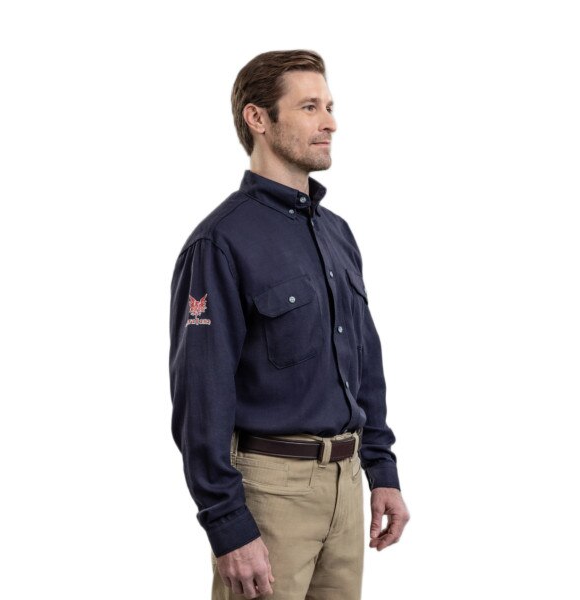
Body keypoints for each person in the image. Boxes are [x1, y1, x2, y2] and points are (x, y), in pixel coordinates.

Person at [169, 49, 410, 600]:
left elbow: (365, 364)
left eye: (329, 106)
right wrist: (228, 525)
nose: (330, 122)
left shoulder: (337, 234)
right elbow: (200, 397)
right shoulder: (220, 242)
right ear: (258, 118)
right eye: (309, 107)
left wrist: (383, 471)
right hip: (270, 495)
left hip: (346, 490)